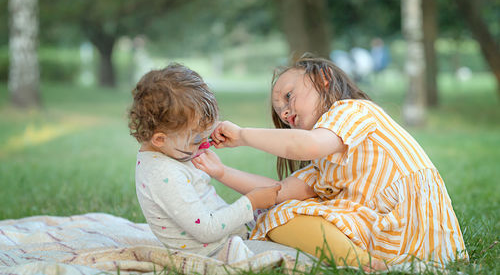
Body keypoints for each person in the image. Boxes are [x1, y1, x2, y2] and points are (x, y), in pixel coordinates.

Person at [194, 55, 468, 269]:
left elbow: (307, 144)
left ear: (324, 79)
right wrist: (220, 170)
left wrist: (243, 135)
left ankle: (361, 264)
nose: (286, 111)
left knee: (279, 216)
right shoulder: (324, 162)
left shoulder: (352, 110)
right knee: (278, 210)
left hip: (408, 222)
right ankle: (365, 261)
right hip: (382, 231)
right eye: (280, 112)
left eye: (288, 96)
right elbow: (276, 192)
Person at [127, 63, 283, 263]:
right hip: (216, 252)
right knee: (290, 253)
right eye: (196, 139)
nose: (204, 143)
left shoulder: (171, 150)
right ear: (159, 139)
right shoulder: (163, 174)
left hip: (227, 237)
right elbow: (206, 230)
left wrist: (209, 133)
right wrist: (251, 202)